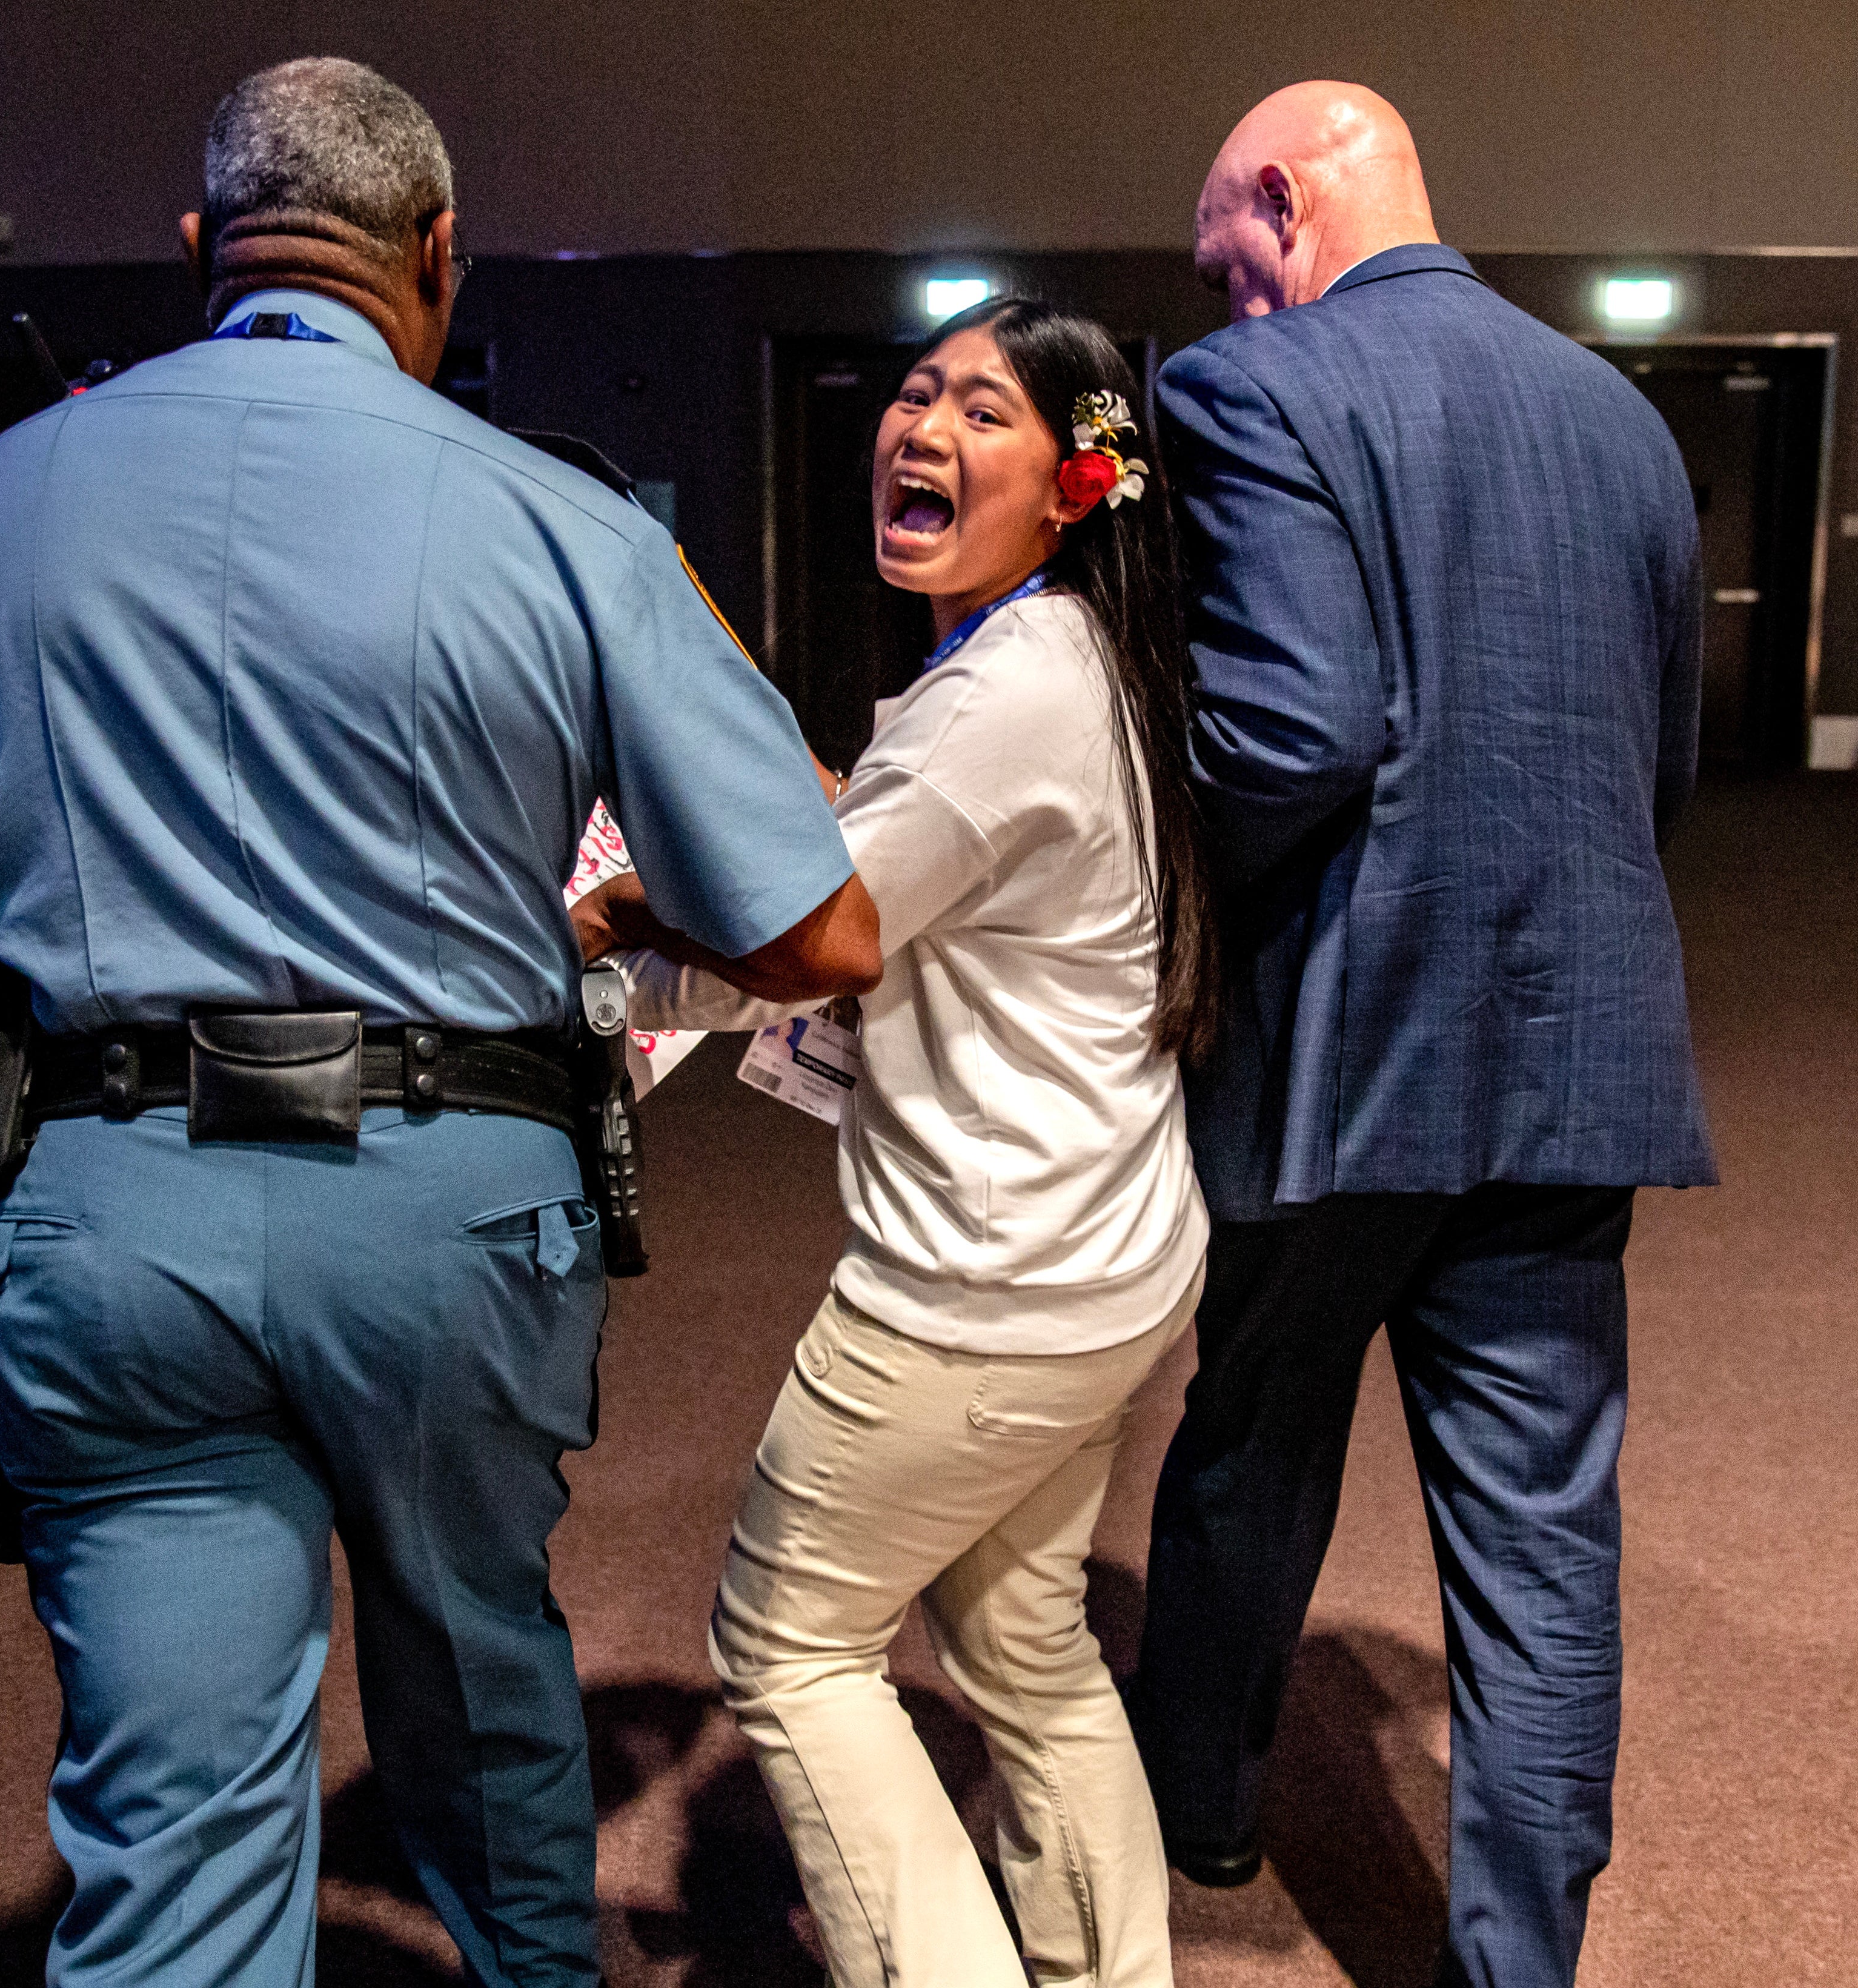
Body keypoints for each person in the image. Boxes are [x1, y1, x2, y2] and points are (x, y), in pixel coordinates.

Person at [0, 58, 875, 1987]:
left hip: (108, 1211)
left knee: (173, 1823)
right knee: (482, 1684)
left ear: (194, 253)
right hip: (454, 1214)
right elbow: (821, 933)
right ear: (440, 257)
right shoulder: (561, 521)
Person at [1124, 81, 1714, 1988]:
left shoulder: (1246, 397)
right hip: (1575, 1053)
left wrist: (1133, 821)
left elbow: (1290, 739)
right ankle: (1518, 1961)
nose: (1230, 313)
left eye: (1231, 270)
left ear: (1282, 200)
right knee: (1543, 1542)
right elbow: (1662, 766)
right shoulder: (1620, 417)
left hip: (1337, 1054)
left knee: (1250, 1445)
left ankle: (1198, 1812)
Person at [576, 298, 1215, 1988]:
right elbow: (863, 841)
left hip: (974, 1290)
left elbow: (822, 935)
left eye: (982, 410)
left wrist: (609, 910)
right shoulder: (1075, 655)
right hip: (1104, 1256)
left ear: (1080, 479)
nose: (921, 425)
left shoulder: (1004, 690)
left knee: (791, 1645)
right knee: (1025, 1639)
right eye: (915, 390)